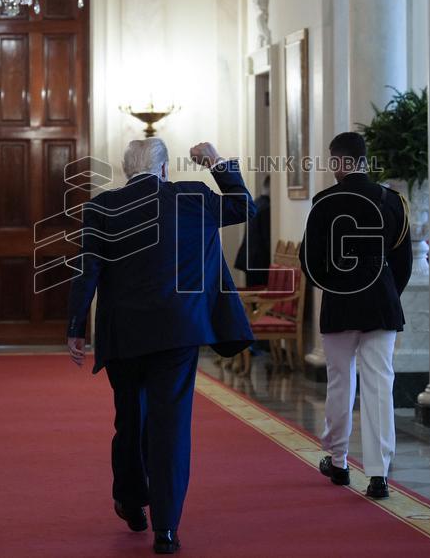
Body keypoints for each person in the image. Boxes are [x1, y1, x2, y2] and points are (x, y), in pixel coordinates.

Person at [66, 139, 255, 554]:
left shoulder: (101, 207)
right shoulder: (193, 197)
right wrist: (215, 162)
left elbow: (88, 271)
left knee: (130, 419)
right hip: (178, 332)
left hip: (125, 335)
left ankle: (132, 504)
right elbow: (244, 208)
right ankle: (166, 528)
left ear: (126, 169)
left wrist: (76, 326)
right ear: (165, 169)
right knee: (170, 427)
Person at [299, 132, 412, 500]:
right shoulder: (392, 201)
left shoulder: (323, 202)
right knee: (380, 386)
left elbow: (310, 262)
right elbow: (403, 262)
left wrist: (333, 285)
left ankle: (339, 460)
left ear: (337, 162)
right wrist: (386, 292)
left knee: (339, 382)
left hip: (340, 302)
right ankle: (378, 474)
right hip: (381, 301)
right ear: (365, 159)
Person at [234, 175, 271, 287]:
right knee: (257, 296)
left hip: (249, 259)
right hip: (259, 261)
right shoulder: (267, 207)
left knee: (252, 295)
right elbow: (267, 238)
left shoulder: (256, 203)